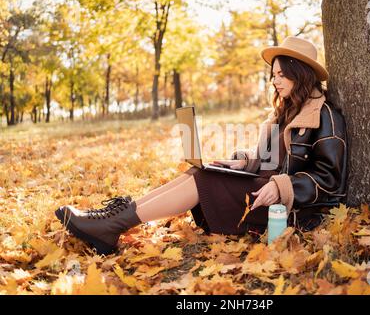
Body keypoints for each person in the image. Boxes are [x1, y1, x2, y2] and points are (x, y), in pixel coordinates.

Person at [55, 36, 347, 255]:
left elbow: (329, 179)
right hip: (264, 191)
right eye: (273, 75)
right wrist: (241, 162)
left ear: (301, 73)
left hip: (294, 211)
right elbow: (267, 158)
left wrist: (284, 187)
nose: (275, 81)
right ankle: (112, 219)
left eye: (282, 74)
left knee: (206, 179)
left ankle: (111, 225)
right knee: (202, 171)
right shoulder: (284, 112)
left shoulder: (324, 115)